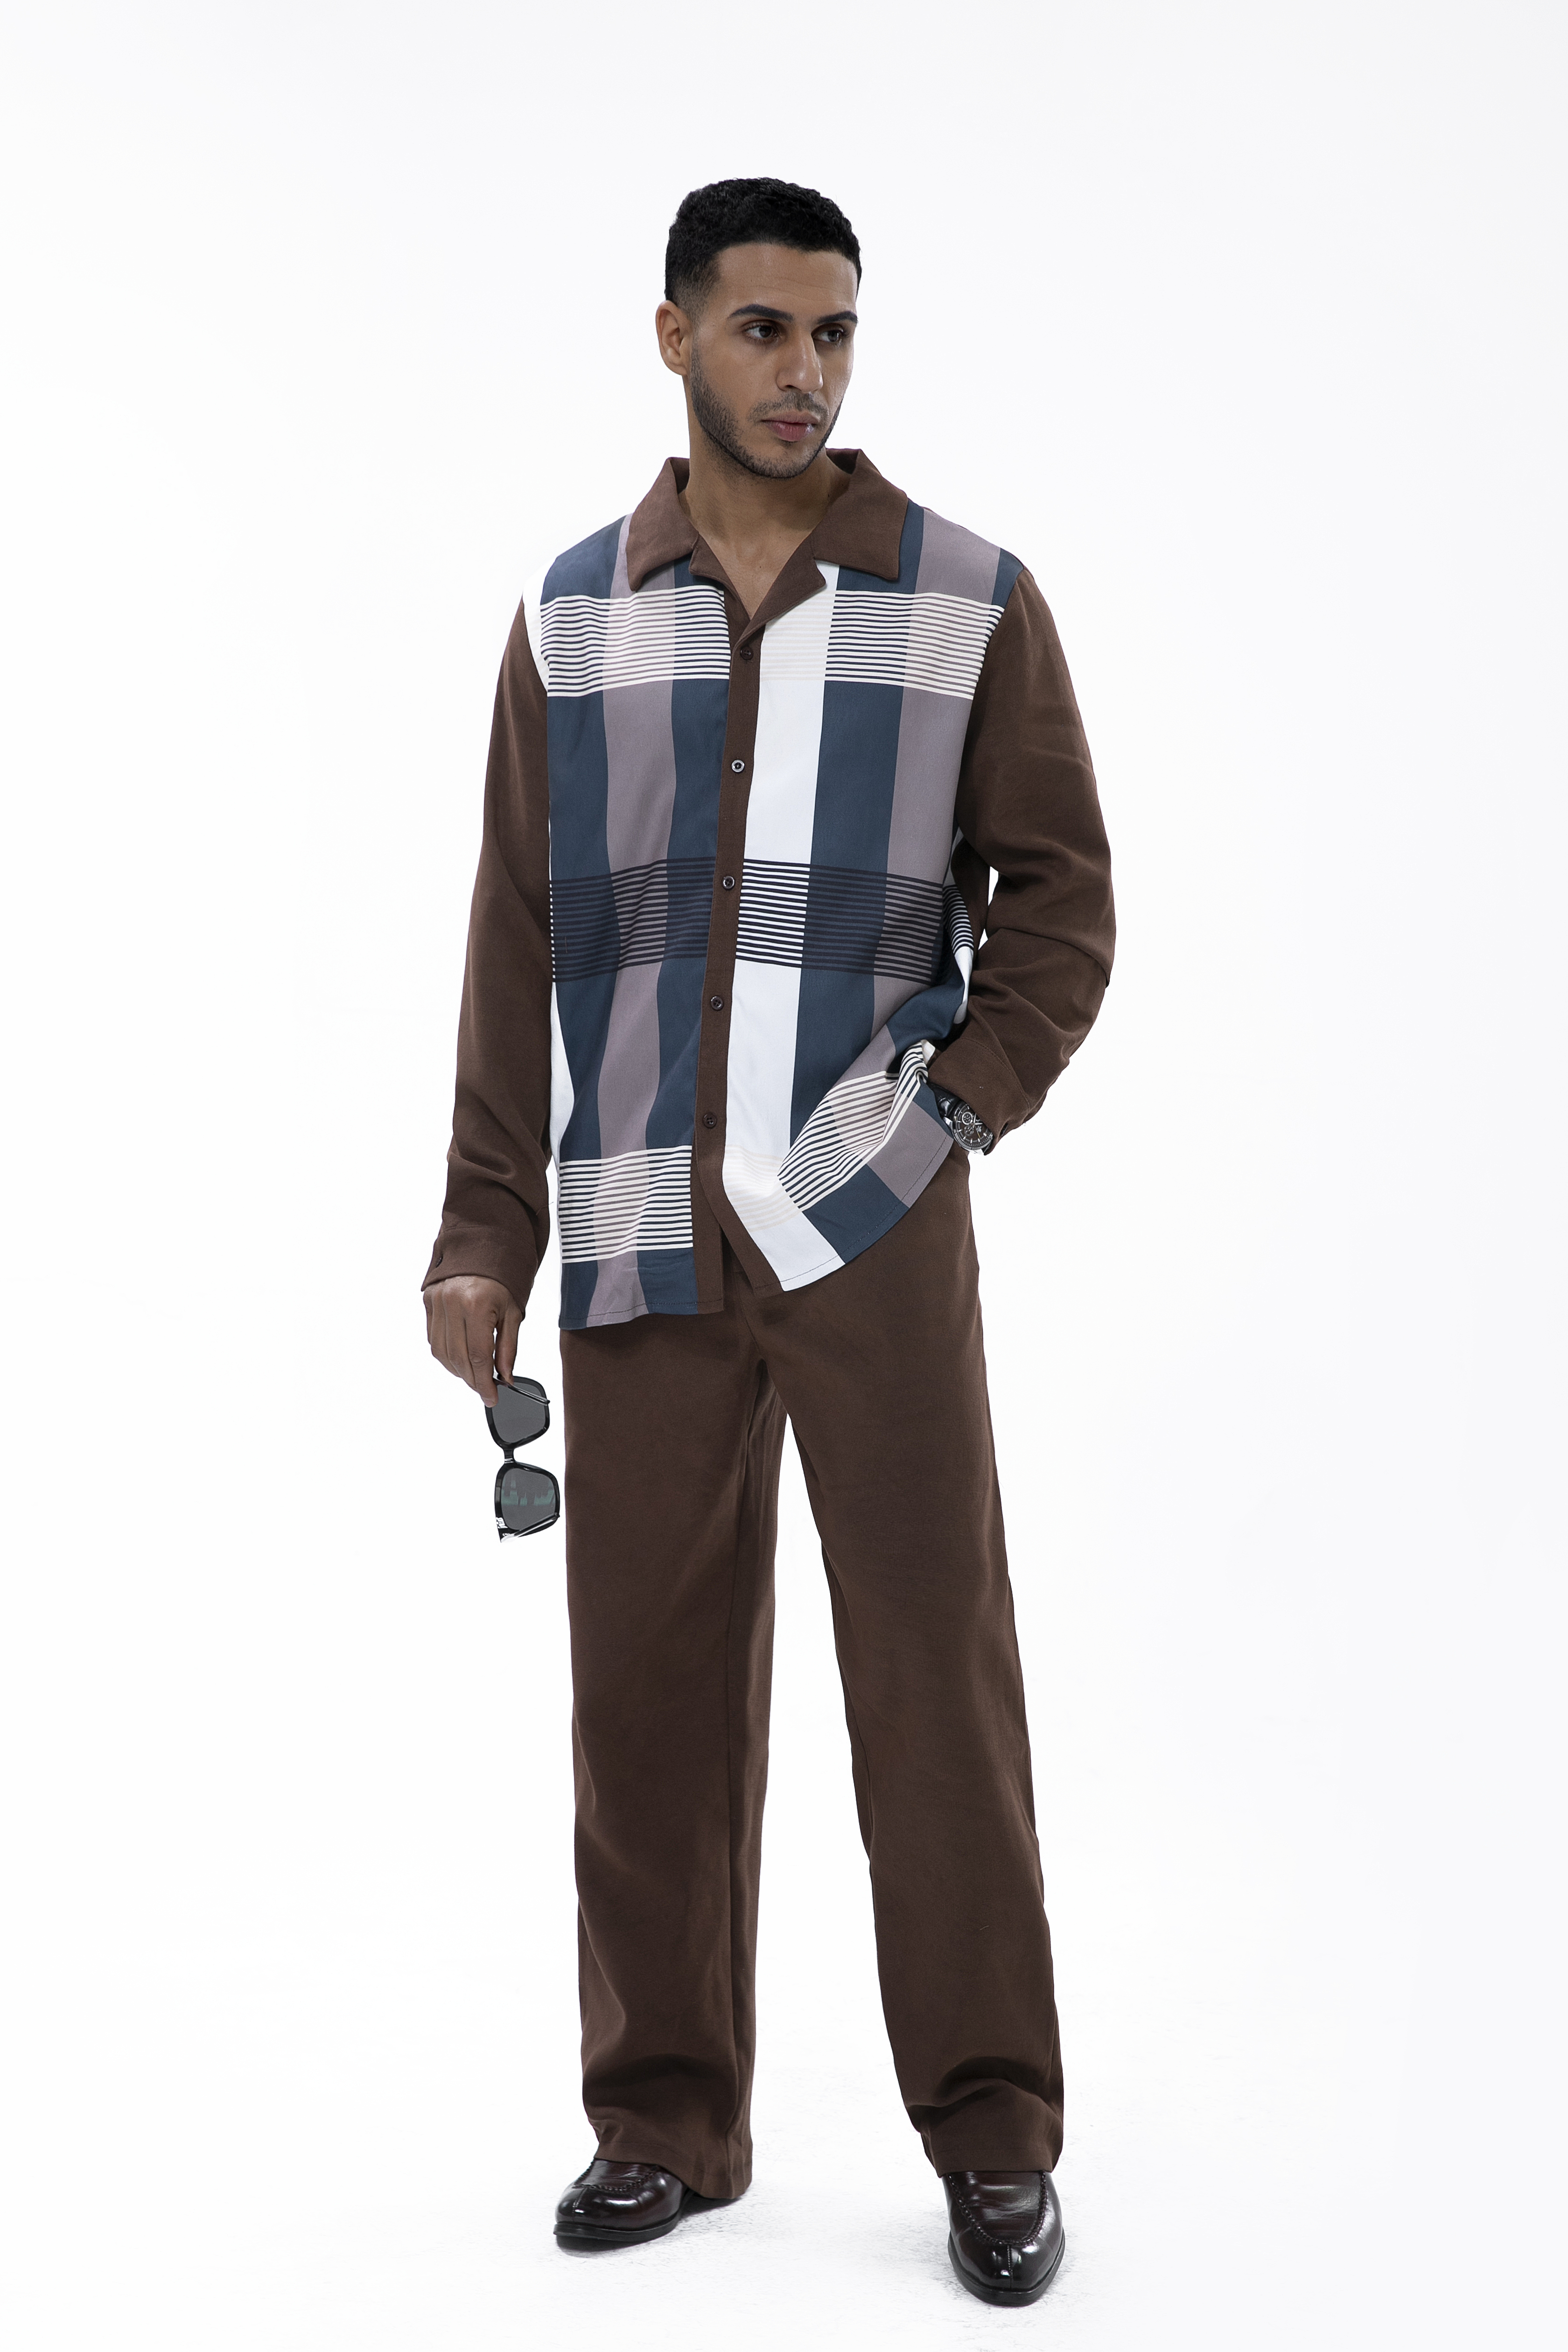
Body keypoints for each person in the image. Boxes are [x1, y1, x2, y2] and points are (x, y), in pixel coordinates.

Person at [422, 176, 1114, 2308]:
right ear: (674, 337)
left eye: (833, 334)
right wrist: (481, 1232)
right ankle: (662, 2123)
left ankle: (993, 2137)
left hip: (869, 1228)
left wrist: (949, 1111)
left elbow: (1061, 910)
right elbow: (516, 941)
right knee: (642, 1698)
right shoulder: (572, 617)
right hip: (636, 1228)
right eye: (763, 332)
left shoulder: (965, 597)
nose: (804, 372)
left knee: (935, 1685)